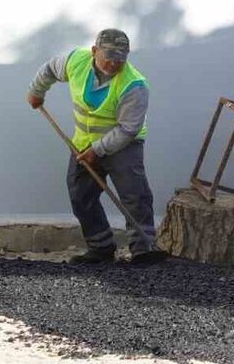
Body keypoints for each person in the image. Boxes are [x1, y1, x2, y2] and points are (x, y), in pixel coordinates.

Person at [27, 29, 165, 265]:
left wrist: (97, 151)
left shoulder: (134, 85)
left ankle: (143, 249)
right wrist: (36, 91)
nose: (113, 64)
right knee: (81, 195)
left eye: (120, 59)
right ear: (94, 51)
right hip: (83, 143)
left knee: (135, 195)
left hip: (124, 146)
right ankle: (100, 247)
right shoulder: (76, 61)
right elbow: (49, 69)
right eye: (108, 57)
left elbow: (127, 129)